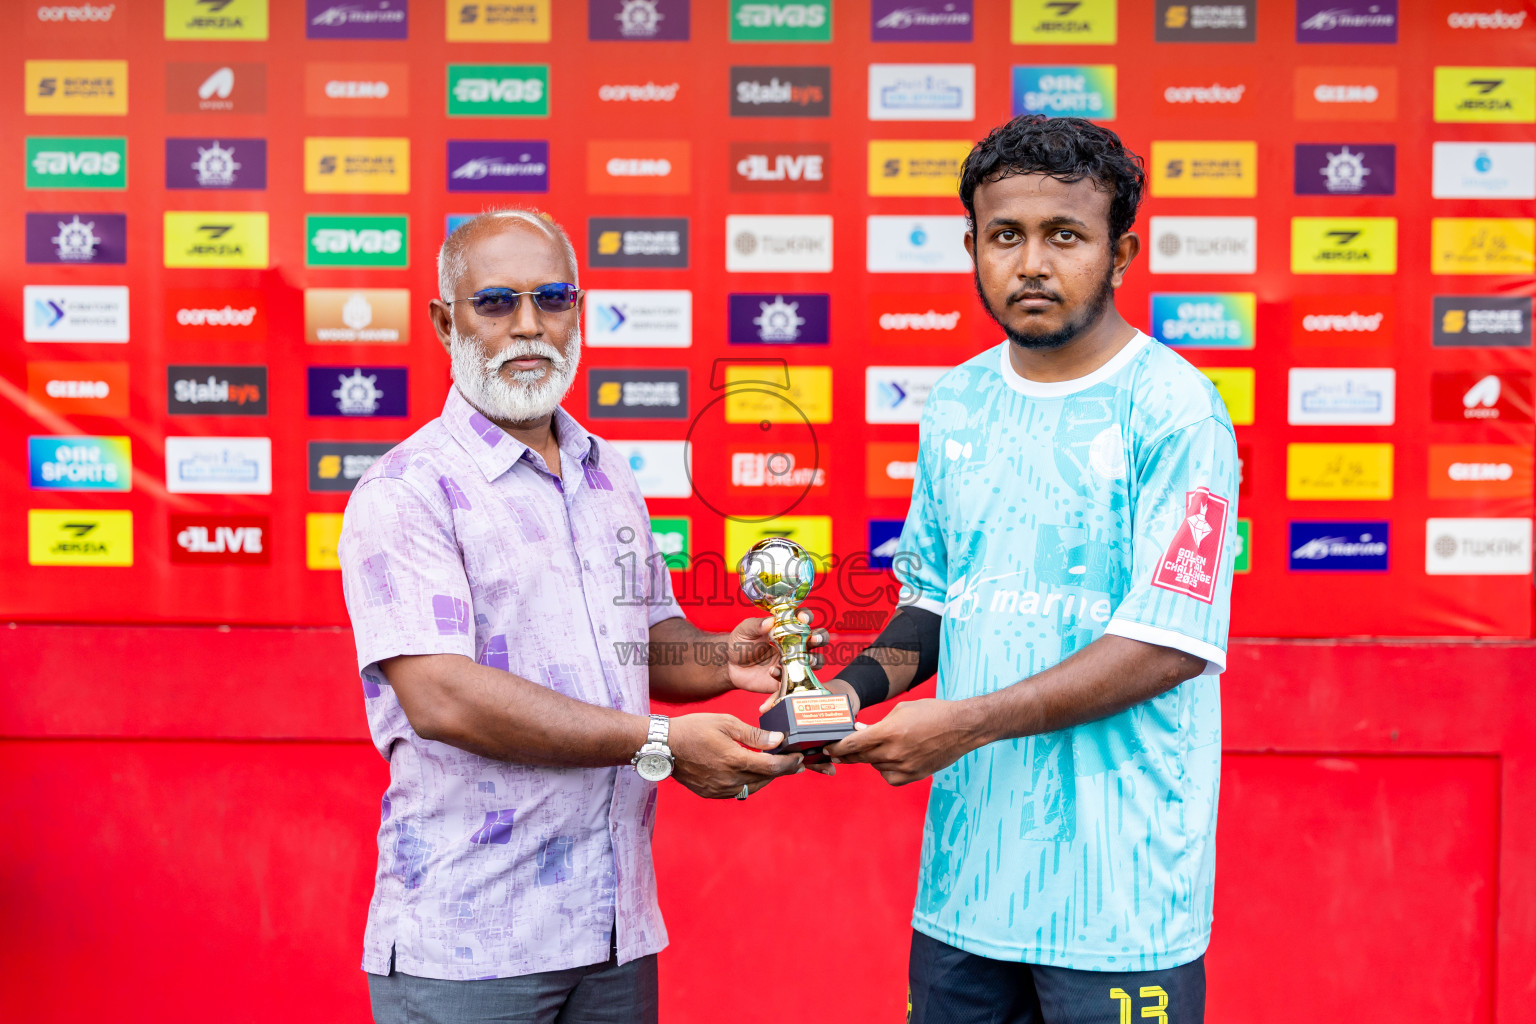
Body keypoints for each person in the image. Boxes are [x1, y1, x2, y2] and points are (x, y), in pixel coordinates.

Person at [338, 210, 818, 1024]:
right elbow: (442, 698)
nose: (529, 326)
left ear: (578, 309)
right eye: (495, 303)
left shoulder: (607, 474)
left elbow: (644, 637)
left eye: (552, 298)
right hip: (472, 946)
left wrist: (724, 659)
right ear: (444, 320)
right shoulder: (406, 491)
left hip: (612, 931)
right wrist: (659, 743)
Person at [821, 116, 1239, 1023]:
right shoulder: (959, 401)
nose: (1033, 265)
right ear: (973, 246)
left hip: (1120, 902)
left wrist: (961, 725)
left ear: (1121, 253)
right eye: (1007, 237)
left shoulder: (1177, 411)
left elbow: (1165, 644)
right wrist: (833, 703)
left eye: (1066, 236)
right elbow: (934, 604)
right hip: (966, 893)